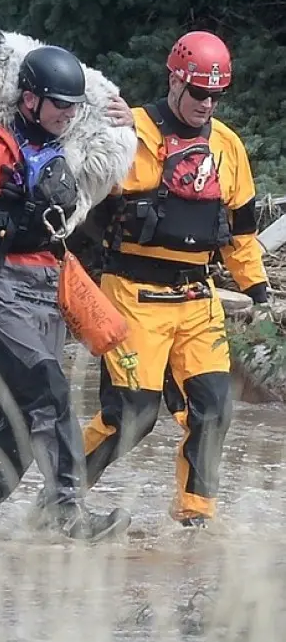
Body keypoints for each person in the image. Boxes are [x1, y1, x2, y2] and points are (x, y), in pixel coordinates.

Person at [0, 45, 133, 540]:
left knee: (18, 404)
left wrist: (131, 120)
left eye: (74, 106)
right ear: (29, 100)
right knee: (48, 384)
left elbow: (147, 165)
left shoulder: (73, 139)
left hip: (44, 281)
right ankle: (66, 510)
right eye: (59, 104)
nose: (68, 114)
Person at [80, 31, 269, 528]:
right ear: (174, 81)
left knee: (214, 409)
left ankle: (195, 517)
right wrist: (98, 126)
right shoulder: (131, 129)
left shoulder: (228, 148)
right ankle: (62, 496)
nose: (206, 105)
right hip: (131, 294)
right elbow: (76, 168)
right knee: (133, 415)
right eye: (198, 93)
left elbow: (241, 234)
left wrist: (259, 292)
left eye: (215, 96)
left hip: (196, 297)